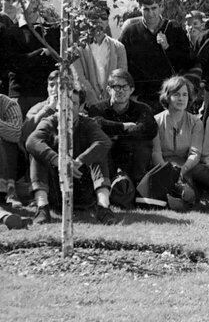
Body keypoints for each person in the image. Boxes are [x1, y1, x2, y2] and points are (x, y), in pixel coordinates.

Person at [25, 88, 116, 225]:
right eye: (64, 102)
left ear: (80, 106)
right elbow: (32, 141)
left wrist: (80, 161)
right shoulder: (50, 122)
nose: (67, 106)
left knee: (99, 153)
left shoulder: (88, 123)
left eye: (72, 103)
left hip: (82, 184)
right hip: (55, 189)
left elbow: (104, 142)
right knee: (37, 154)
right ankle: (42, 207)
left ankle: (103, 207)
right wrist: (59, 161)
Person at [118, 0, 194, 112]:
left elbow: (187, 62)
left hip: (168, 95)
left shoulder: (174, 29)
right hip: (139, 97)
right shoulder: (130, 31)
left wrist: (167, 47)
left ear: (161, 8)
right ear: (140, 9)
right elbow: (121, 64)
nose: (150, 13)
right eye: (146, 9)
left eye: (154, 8)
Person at [85, 69, 157, 184]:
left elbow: (150, 129)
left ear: (131, 90)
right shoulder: (97, 108)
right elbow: (96, 124)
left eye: (125, 87)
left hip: (131, 156)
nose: (121, 91)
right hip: (109, 156)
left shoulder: (142, 109)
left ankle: (136, 188)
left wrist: (116, 135)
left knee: (143, 145)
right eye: (116, 87)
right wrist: (123, 126)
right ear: (109, 89)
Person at [147, 76, 204, 205]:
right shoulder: (156, 121)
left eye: (185, 95)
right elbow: (156, 153)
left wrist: (182, 170)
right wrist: (168, 173)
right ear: (167, 97)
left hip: (186, 167)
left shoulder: (196, 122)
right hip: (162, 166)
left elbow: (195, 154)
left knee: (202, 173)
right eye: (176, 94)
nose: (181, 99)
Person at [71, 8, 128, 107]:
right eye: (95, 17)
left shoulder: (118, 47)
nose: (100, 20)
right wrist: (95, 103)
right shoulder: (76, 49)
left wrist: (108, 101)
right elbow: (79, 78)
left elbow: (121, 77)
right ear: (87, 20)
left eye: (104, 17)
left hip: (112, 105)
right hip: (86, 105)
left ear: (107, 21)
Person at [0, 92, 24, 208]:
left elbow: (16, 134)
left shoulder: (9, 104)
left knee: (4, 137)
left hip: (12, 162)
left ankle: (9, 190)